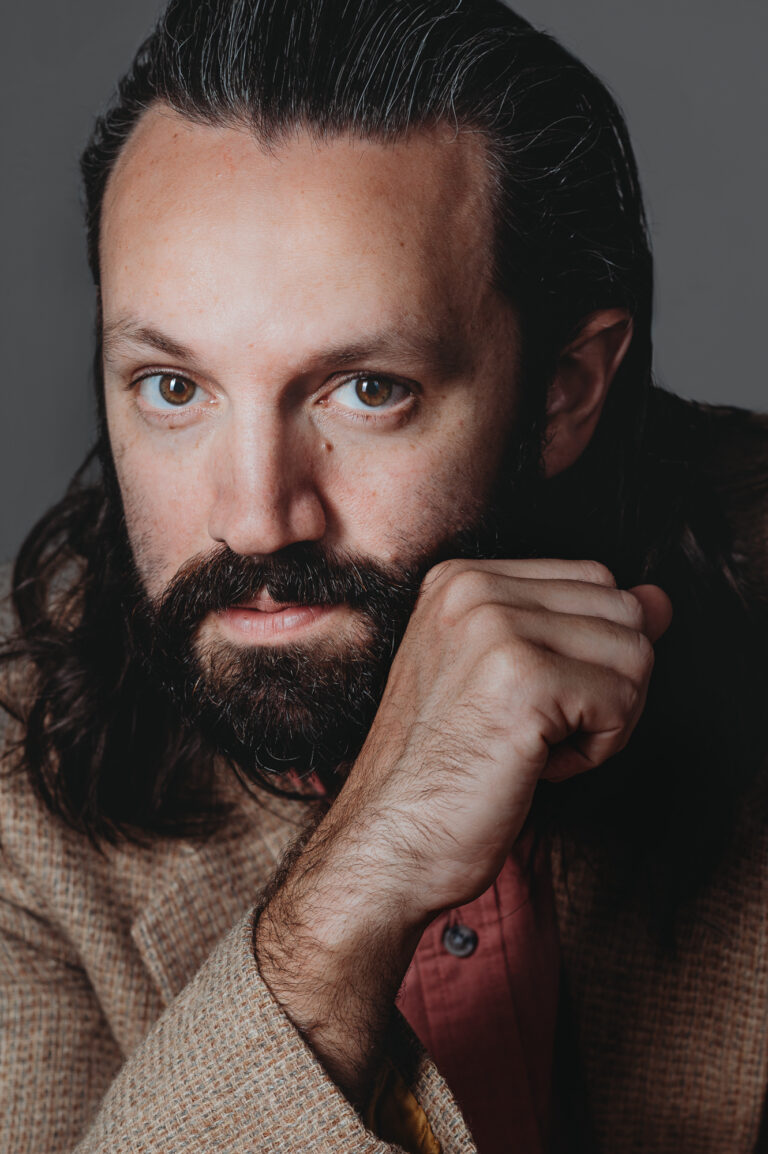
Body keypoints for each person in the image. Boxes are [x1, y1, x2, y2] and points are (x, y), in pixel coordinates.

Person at [1, 0, 766, 1151]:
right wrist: (348, 900)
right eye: (172, 388)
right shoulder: (16, 795)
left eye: (366, 390)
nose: (258, 519)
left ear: (563, 389)